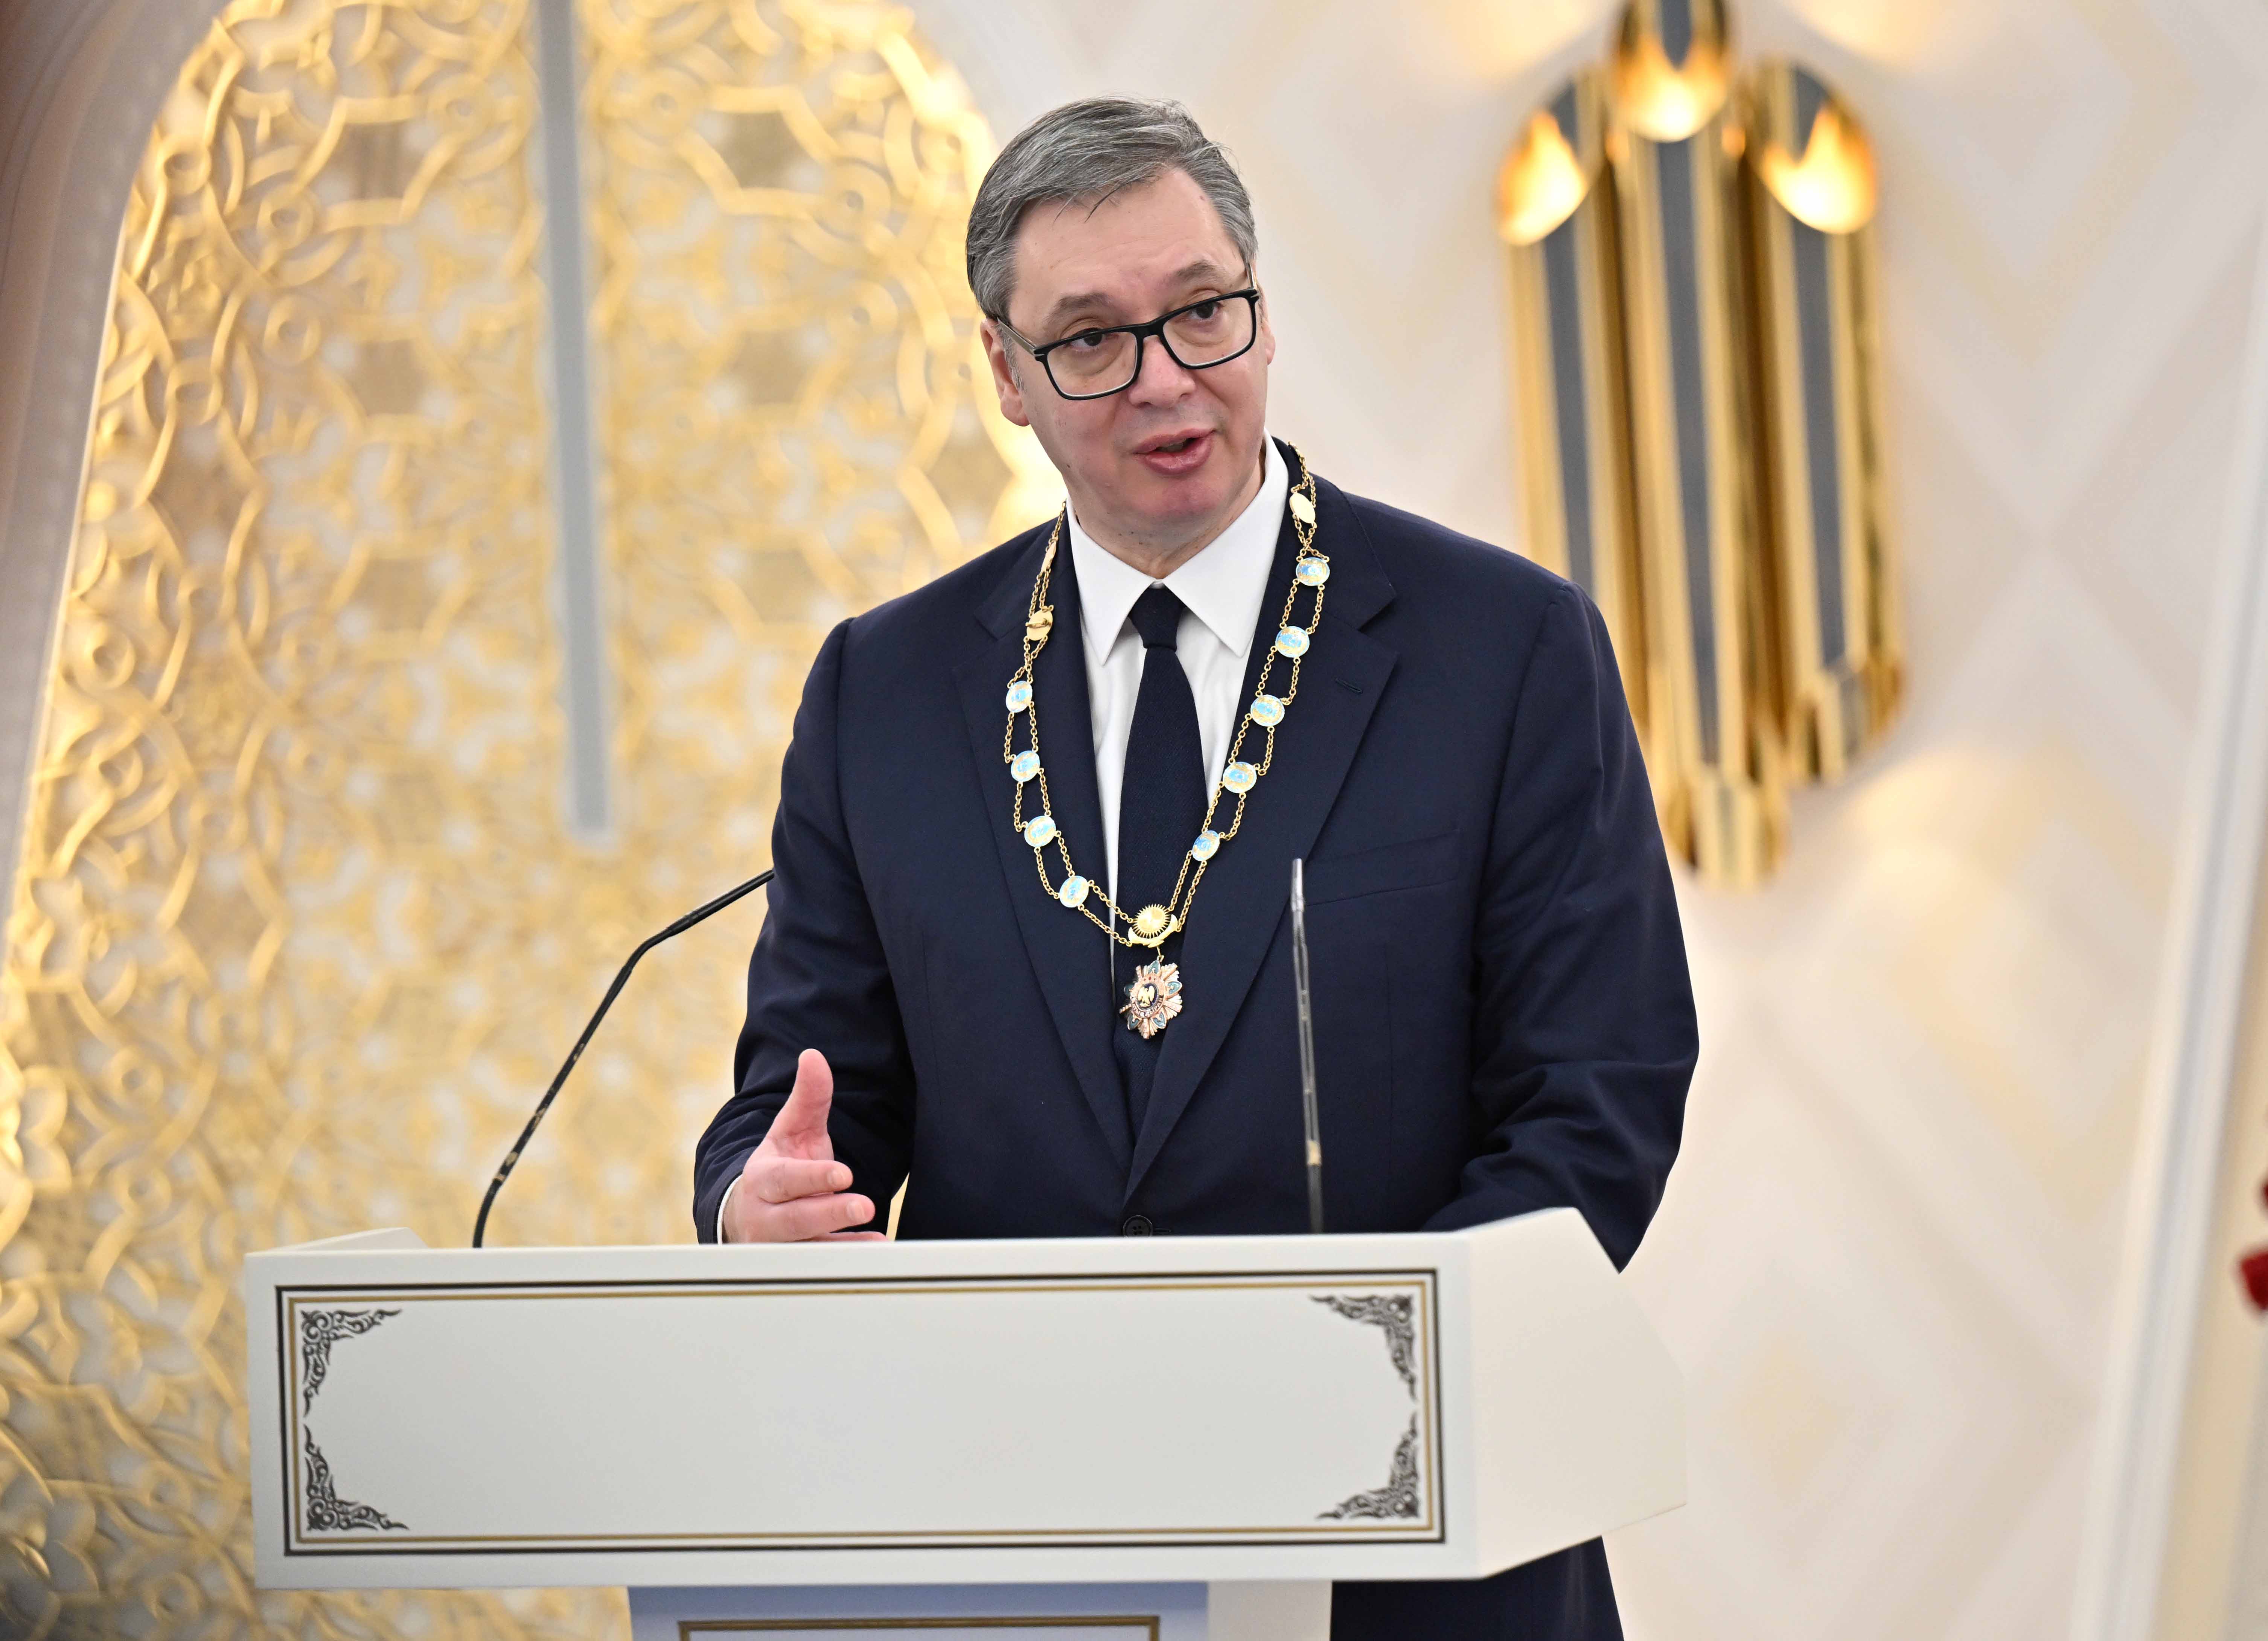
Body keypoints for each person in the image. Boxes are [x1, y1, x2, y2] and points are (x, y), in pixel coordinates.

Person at [693, 96, 1697, 1641]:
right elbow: (812, 1099)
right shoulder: (882, 695)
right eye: (1091, 339)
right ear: (1006, 374)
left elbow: (1596, 1095)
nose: (1164, 378)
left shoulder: (1500, 648)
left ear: (1262, 313)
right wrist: (757, 1206)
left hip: (1421, 1550)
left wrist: (1347, 1380)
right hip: (1020, 1551)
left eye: (1202, 312)